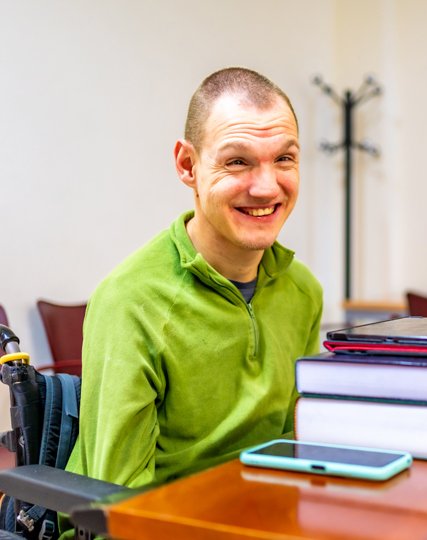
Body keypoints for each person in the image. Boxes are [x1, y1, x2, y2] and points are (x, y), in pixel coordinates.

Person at [64, 67, 323, 490]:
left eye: (284, 159)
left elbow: (294, 446)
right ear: (188, 166)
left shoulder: (303, 290)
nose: (266, 186)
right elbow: (117, 504)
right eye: (237, 161)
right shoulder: (131, 301)